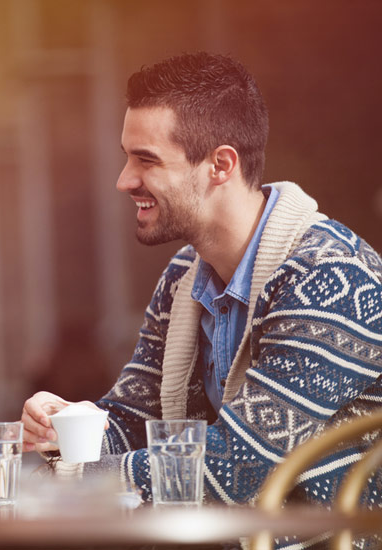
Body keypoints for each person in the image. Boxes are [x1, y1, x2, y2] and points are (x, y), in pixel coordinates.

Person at [21, 52, 382, 513]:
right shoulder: (183, 277)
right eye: (126, 158)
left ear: (221, 165)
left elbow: (236, 468)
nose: (124, 180)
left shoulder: (333, 278)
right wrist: (65, 430)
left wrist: (70, 474)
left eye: (146, 160)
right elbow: (132, 422)